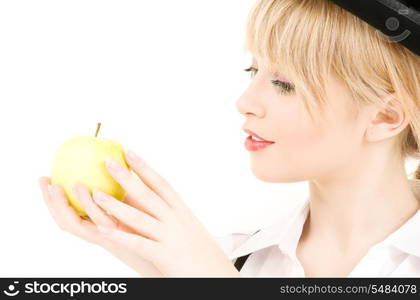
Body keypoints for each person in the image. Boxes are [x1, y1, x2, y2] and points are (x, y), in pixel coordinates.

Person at [39, 0, 420, 277]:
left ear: (386, 117)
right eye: (251, 70)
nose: (245, 102)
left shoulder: (212, 269)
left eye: (285, 84)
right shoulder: (233, 259)